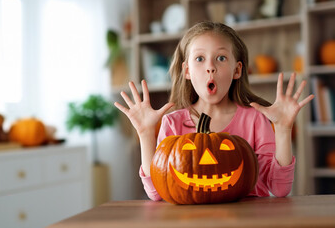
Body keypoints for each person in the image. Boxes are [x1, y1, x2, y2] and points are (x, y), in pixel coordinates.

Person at [114, 21, 314, 200]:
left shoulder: (255, 120)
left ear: (237, 70)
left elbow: (279, 189)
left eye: (221, 58)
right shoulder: (172, 123)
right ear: (187, 71)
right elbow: (156, 193)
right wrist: (145, 134)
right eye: (200, 59)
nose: (210, 67)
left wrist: (283, 129)